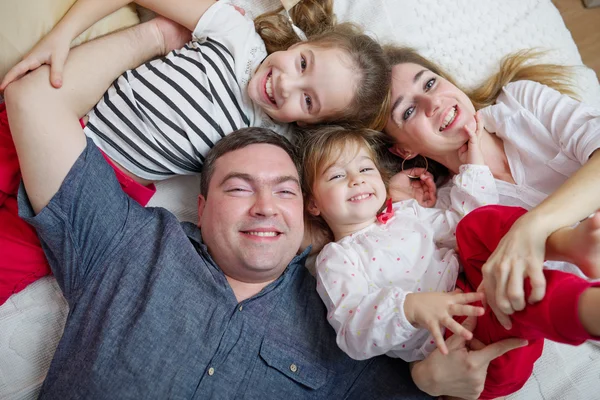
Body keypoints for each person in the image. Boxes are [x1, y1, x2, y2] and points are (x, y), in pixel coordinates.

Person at [0, 0, 391, 305]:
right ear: (302, 43)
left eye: (308, 100)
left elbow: (324, 198)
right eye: (302, 62)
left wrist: (390, 194)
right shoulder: (234, 33)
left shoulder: (274, 139)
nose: (287, 84)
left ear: (310, 124)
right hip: (68, 120)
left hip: (105, 181)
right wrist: (64, 35)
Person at [300, 125, 600, 399]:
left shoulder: (406, 214)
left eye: (366, 168)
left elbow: (466, 222)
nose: (357, 179)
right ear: (313, 203)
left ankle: (565, 245)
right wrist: (411, 307)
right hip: (465, 342)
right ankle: (584, 310)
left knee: (475, 224)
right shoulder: (335, 259)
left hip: (476, 280)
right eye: (337, 176)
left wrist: (473, 166)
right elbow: (353, 331)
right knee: (515, 298)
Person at [382, 46, 600, 331]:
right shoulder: (452, 212)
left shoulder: (520, 102)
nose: (432, 102)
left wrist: (531, 226)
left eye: (430, 83)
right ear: (404, 150)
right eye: (409, 111)